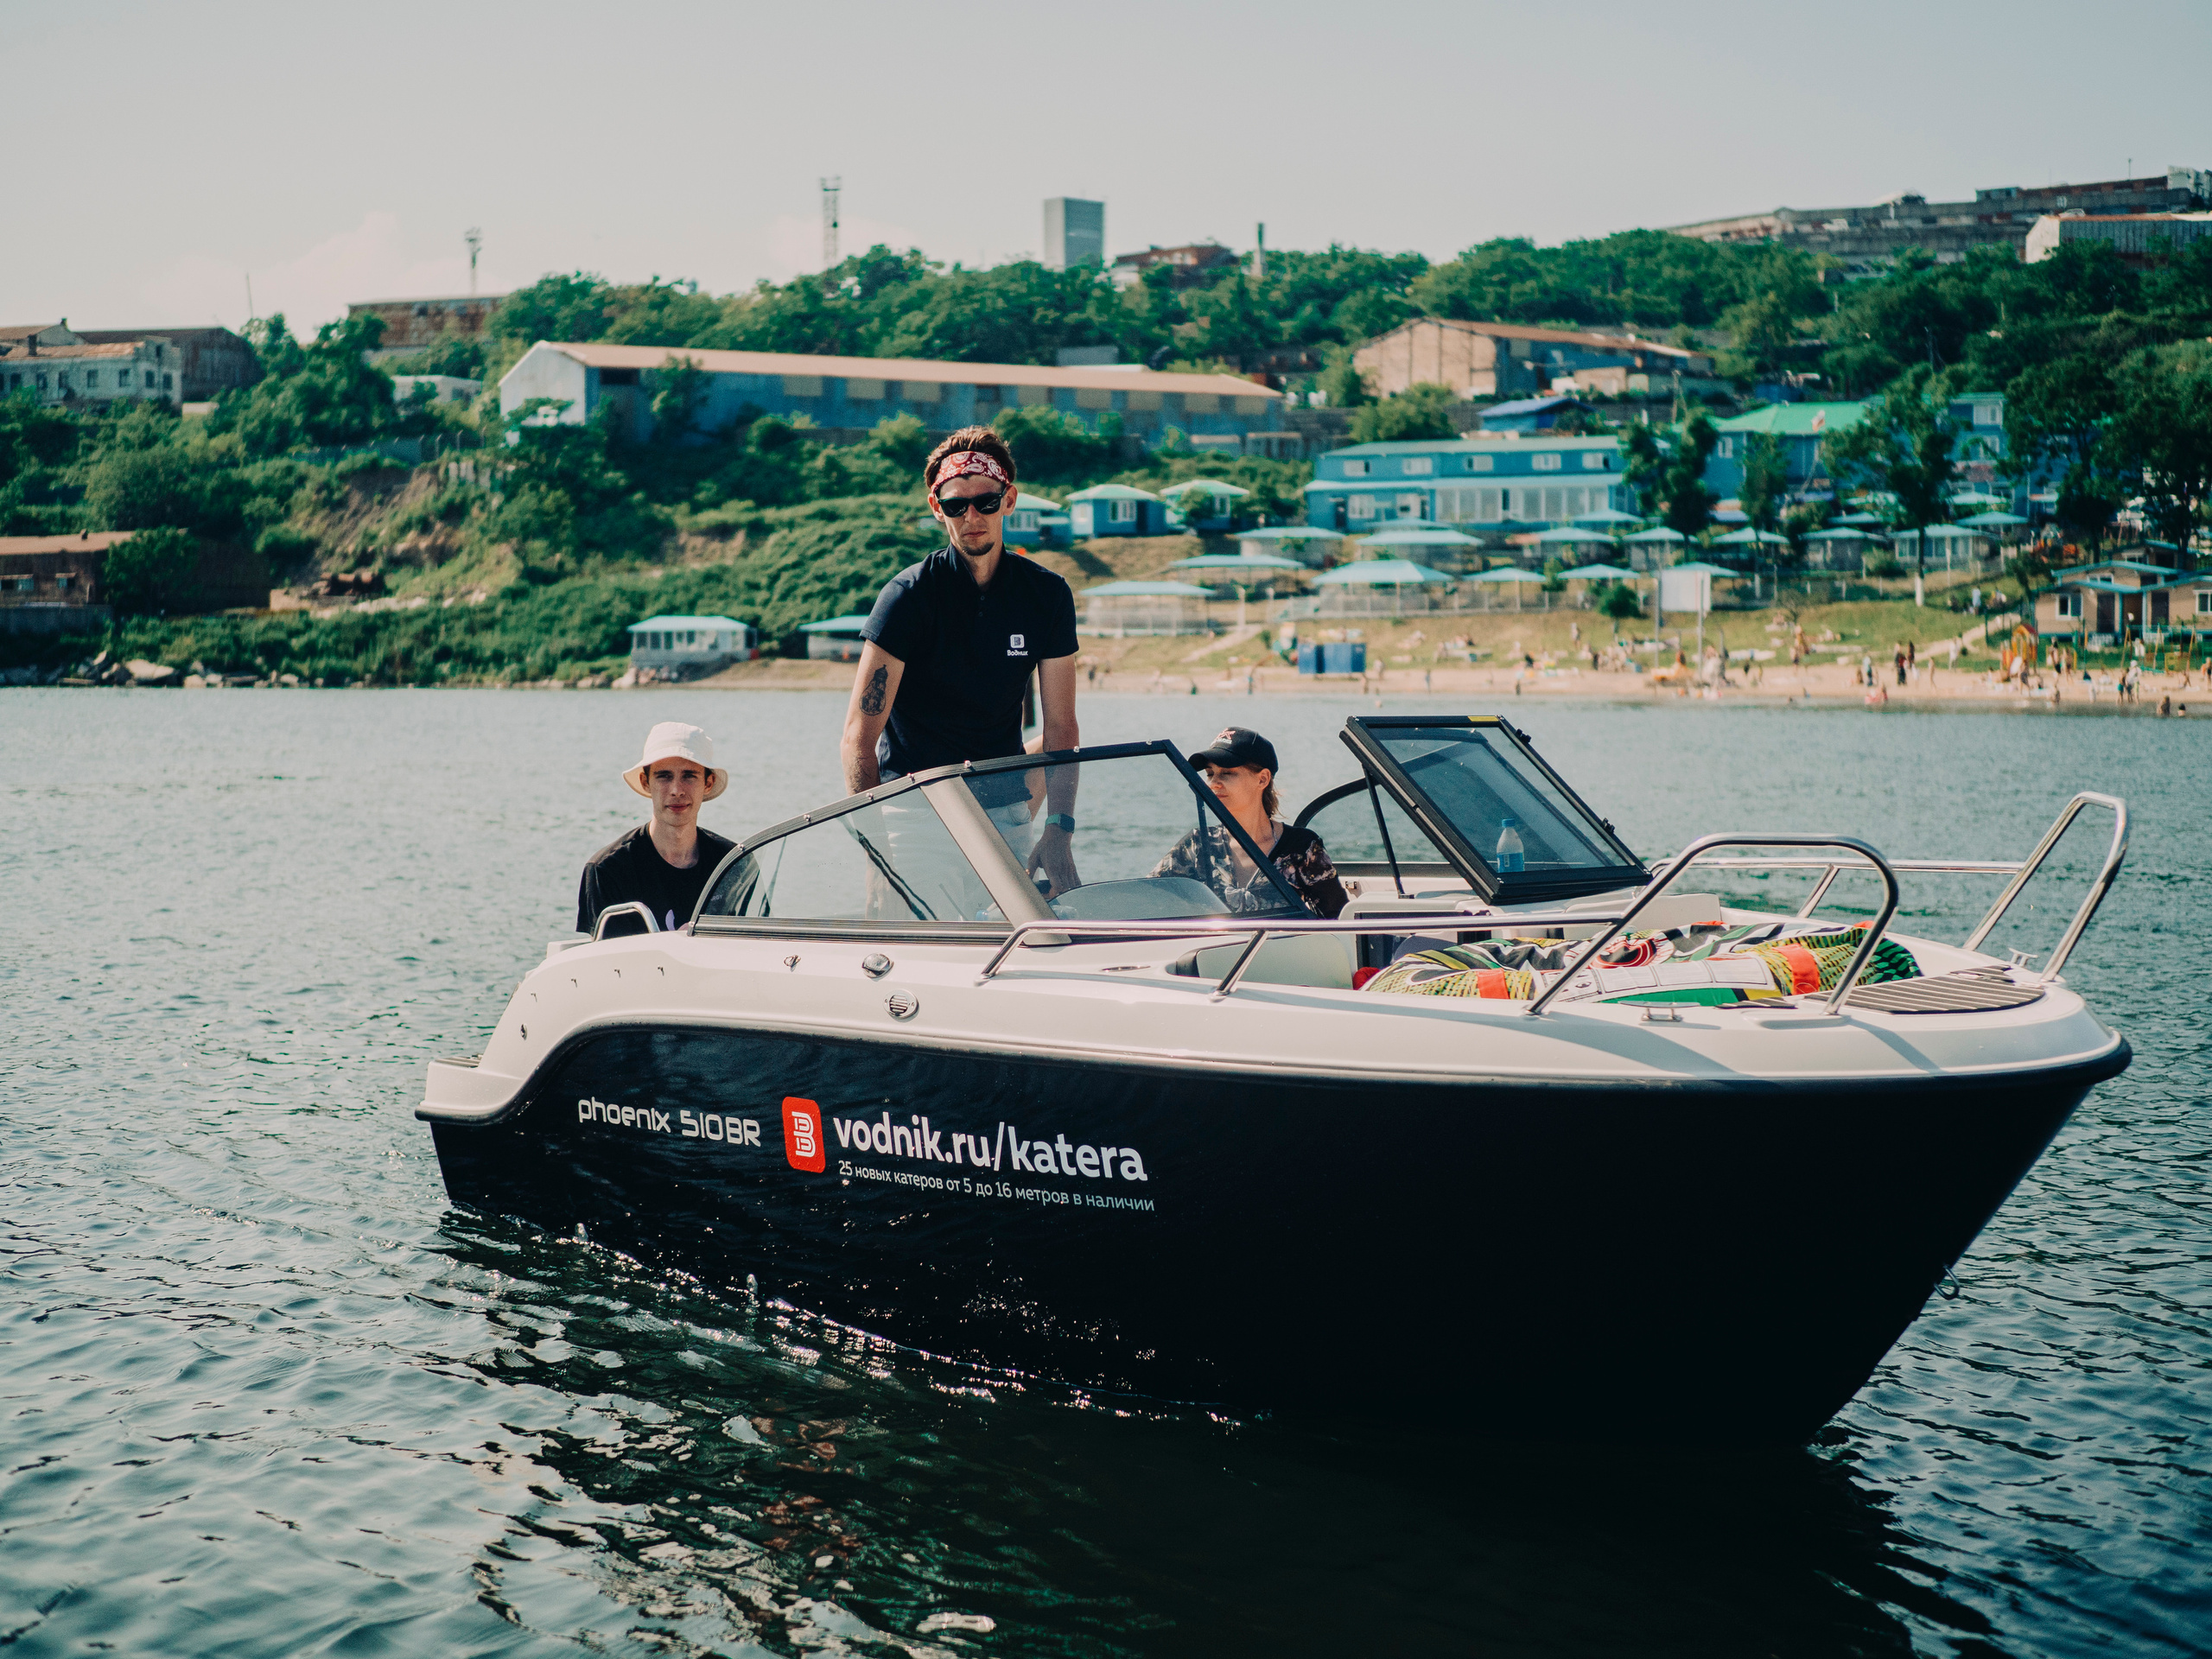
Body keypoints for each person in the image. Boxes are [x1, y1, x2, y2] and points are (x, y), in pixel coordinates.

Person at [840, 427, 1080, 893]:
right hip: (914, 813)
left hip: (1005, 813)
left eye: (986, 502)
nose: (972, 515)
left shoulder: (1047, 595)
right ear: (937, 509)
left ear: (1009, 500)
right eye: (955, 505)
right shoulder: (906, 598)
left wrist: (1059, 827)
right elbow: (857, 738)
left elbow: (1062, 729)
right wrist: (877, 856)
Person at [1150, 728, 1348, 918]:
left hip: (1283, 951)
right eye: (1210, 774)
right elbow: (1148, 897)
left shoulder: (1302, 847)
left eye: (1227, 773)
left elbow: (1337, 919)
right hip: (1213, 951)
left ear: (1262, 779)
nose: (1214, 783)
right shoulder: (1198, 844)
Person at [576, 722, 734, 936]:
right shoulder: (607, 870)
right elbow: (610, 964)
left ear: (708, 783)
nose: (677, 791)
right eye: (664, 776)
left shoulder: (733, 864)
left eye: (689, 776)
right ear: (645, 782)